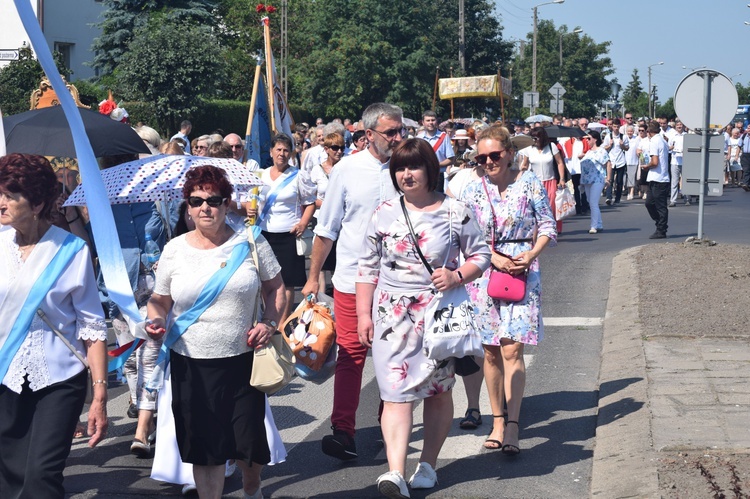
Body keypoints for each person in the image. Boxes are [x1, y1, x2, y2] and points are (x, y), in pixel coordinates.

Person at [356, 139, 490, 497]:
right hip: (391, 315)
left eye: (413, 167)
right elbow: (366, 267)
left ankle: (428, 463)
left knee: (437, 390)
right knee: (395, 392)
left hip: (437, 315)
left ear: (430, 170)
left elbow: (480, 254)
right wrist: (363, 315)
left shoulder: (454, 210)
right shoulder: (383, 211)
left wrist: (457, 276)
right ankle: (396, 471)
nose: (406, 174)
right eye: (399, 168)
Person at [145, 165, 286, 499]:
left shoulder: (251, 241)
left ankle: (252, 488)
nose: (204, 207)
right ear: (188, 207)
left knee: (247, 446)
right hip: (190, 363)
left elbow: (276, 288)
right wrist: (155, 319)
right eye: (196, 201)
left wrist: (269, 322)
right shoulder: (175, 249)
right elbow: (159, 300)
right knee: (205, 448)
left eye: (213, 200)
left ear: (226, 204)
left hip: (242, 360)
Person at [300, 102, 405, 461]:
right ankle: (343, 430)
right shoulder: (346, 169)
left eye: (400, 130)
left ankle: (390, 425)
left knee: (392, 355)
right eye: (391, 132)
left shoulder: (407, 167)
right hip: (349, 279)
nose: (397, 138)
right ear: (368, 133)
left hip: (397, 281)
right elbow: (326, 229)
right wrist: (314, 277)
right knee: (351, 354)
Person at [0, 153, 108, 498]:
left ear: (38, 203)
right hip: (5, 376)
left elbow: (92, 326)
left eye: (10, 196)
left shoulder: (72, 251)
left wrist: (100, 394)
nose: (1, 203)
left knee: (40, 475)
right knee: (9, 474)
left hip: (58, 379)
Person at [458, 125, 556, 455]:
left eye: (495, 155)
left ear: (510, 153)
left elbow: (547, 224)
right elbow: (462, 236)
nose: (488, 161)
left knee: (512, 349)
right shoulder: (472, 191)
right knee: (489, 350)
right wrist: (494, 258)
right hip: (484, 274)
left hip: (523, 272)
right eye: (482, 157)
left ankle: (512, 424)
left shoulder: (529, 184)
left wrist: (530, 253)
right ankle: (496, 420)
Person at [248, 134, 316, 323]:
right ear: (271, 152)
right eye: (278, 149)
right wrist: (249, 208)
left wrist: (303, 223)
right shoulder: (260, 175)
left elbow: (310, 203)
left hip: (289, 234)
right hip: (263, 234)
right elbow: (250, 201)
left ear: (291, 153)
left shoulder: (298, 175)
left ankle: (282, 325)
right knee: (265, 280)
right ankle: (269, 318)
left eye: (286, 150)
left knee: (287, 282)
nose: (282, 154)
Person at [310, 133, 345, 293]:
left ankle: (338, 294)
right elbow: (310, 198)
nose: (339, 151)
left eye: (342, 148)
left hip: (343, 221)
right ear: (326, 149)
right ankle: (321, 299)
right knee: (322, 263)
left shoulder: (346, 167)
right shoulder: (316, 170)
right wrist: (329, 204)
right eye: (335, 148)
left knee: (339, 261)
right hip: (322, 218)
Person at [520, 127, 566, 233]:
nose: (534, 140)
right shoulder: (529, 149)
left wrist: (562, 179)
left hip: (550, 181)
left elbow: (560, 163)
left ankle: (553, 228)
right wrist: (521, 171)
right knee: (538, 207)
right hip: (535, 183)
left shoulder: (551, 146)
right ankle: (541, 229)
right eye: (532, 138)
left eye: (536, 138)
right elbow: (525, 165)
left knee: (551, 206)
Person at [579, 130, 613, 234]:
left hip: (598, 179)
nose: (587, 140)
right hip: (587, 180)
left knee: (593, 202)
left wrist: (608, 179)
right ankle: (599, 223)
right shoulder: (588, 152)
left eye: (589, 138)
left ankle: (593, 226)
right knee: (591, 202)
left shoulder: (601, 151)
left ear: (595, 139)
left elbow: (608, 164)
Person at [417, 110, 454, 192]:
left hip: (438, 175)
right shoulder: (418, 138)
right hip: (422, 174)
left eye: (433, 120)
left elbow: (451, 159)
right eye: (428, 120)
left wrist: (436, 164)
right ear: (423, 123)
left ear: (436, 121)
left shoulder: (444, 137)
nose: (431, 122)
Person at [644, 121, 670, 239]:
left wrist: (646, 166)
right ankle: (660, 224)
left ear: (649, 132)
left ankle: (661, 229)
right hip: (657, 177)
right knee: (649, 203)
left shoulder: (654, 142)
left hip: (659, 178)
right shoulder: (663, 140)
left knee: (660, 206)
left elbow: (655, 162)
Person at [603, 118, 629, 205]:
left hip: (621, 161)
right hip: (611, 161)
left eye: (617, 127)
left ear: (620, 126)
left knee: (619, 181)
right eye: (614, 127)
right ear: (612, 127)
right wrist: (609, 145)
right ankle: (609, 197)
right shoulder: (608, 136)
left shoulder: (623, 137)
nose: (616, 128)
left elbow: (627, 148)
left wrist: (622, 145)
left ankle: (617, 198)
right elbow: (604, 148)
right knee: (609, 180)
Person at [669, 121, 687, 206]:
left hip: (685, 161)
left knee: (686, 181)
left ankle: (687, 199)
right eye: (678, 125)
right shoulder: (672, 136)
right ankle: (673, 200)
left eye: (681, 125)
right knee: (674, 182)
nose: (679, 126)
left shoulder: (686, 135)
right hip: (674, 161)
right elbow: (668, 147)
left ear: (683, 126)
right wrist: (671, 148)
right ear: (675, 126)